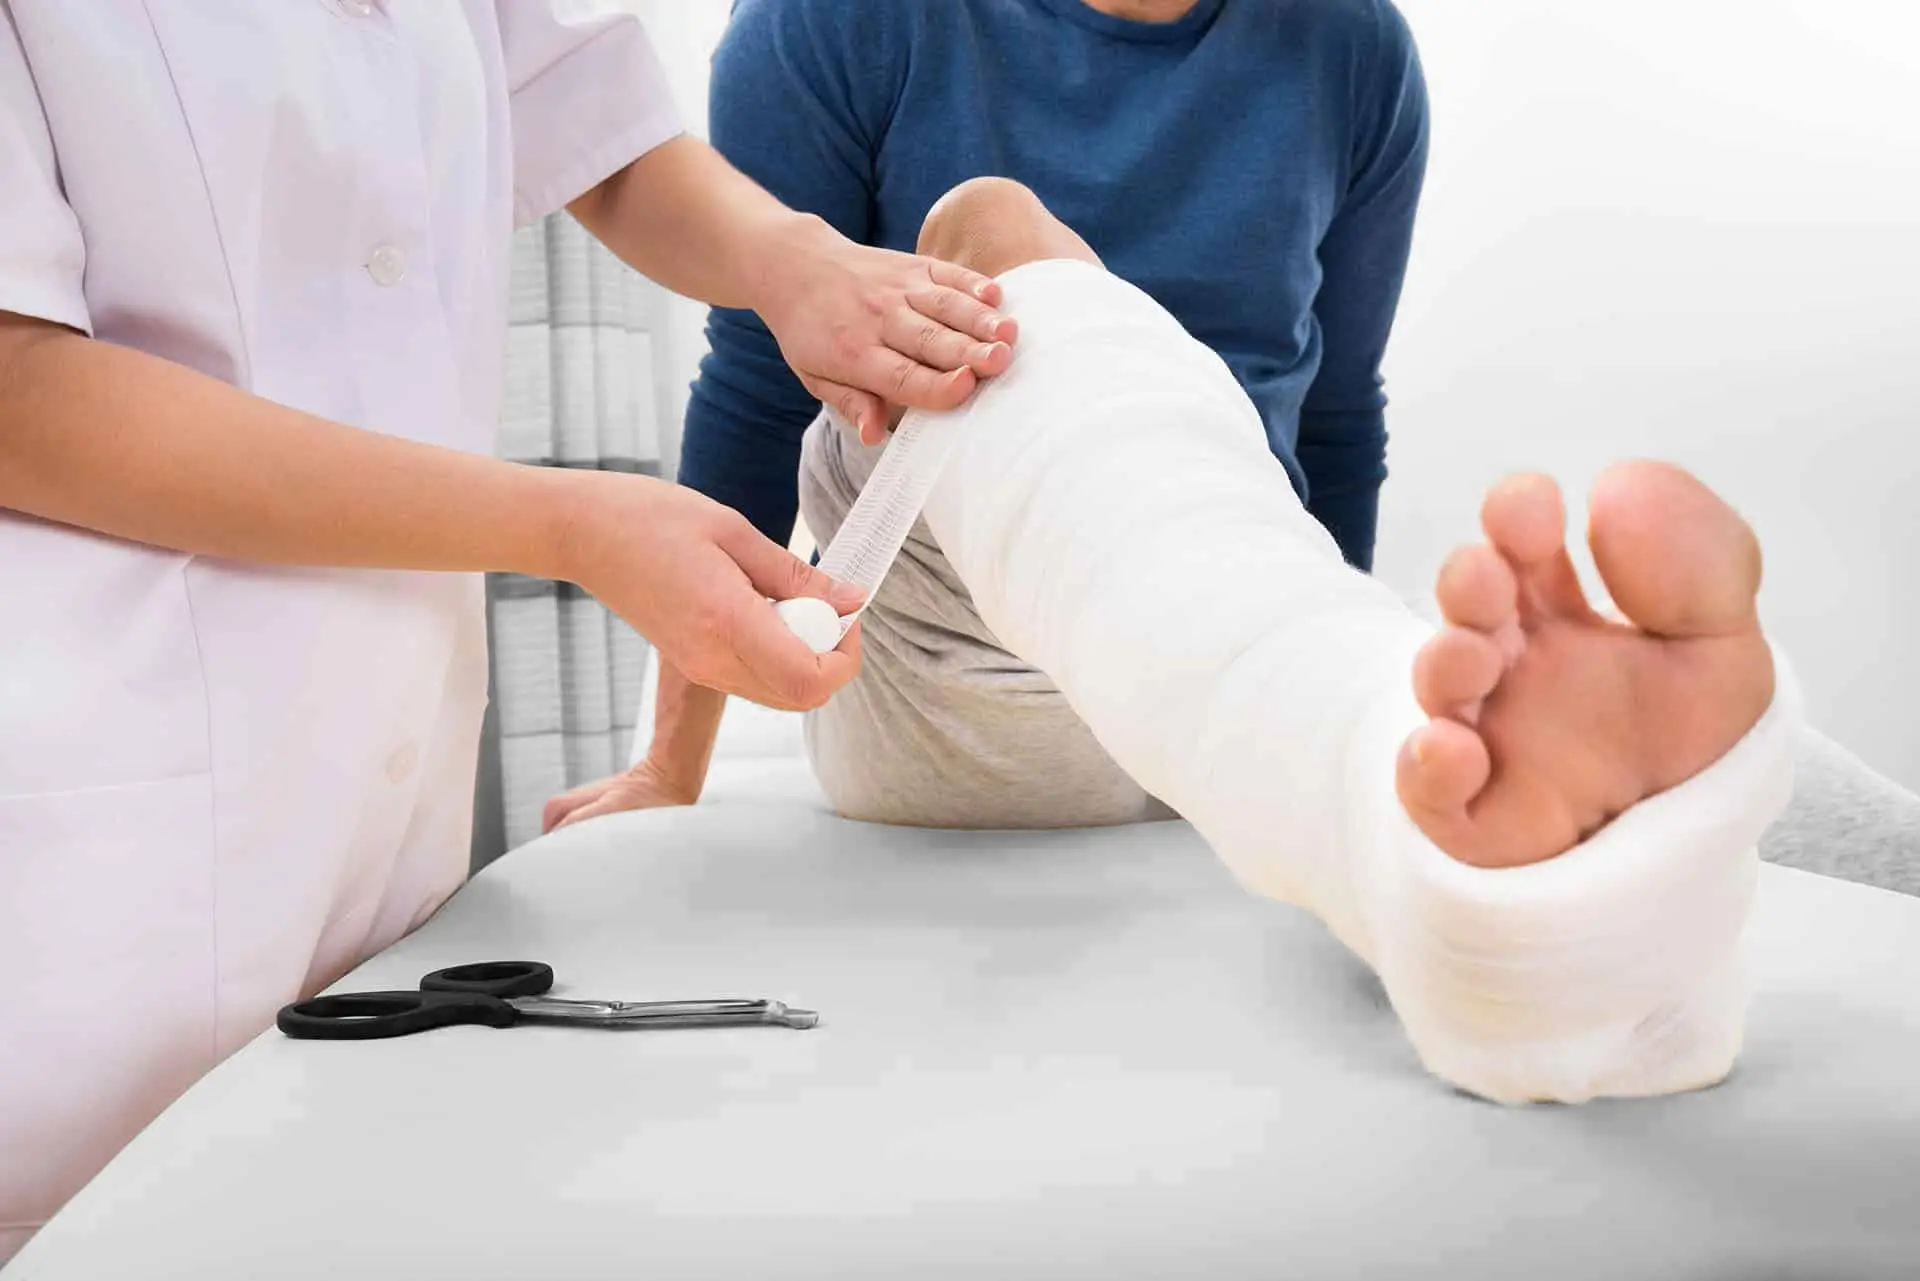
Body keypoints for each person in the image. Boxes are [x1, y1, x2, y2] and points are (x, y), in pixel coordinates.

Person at [0, 2, 1020, 1259]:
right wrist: (569, 526)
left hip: (377, 808)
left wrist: (789, 260)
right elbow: (16, 388)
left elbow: (598, 126)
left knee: (351, 1208)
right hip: (98, 827)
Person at [551, 0, 1920, 896]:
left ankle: (1346, 720)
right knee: (988, 227)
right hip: (944, 665)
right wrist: (674, 762)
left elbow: (1339, 420)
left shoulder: (1351, 49)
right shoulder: (838, 22)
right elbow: (754, 389)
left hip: (1204, 664)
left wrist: (1313, 631)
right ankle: (1307, 694)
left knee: (1456, 710)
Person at [783, 175, 1796, 1102]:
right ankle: (1375, 756)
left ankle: (1435, 832)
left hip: (1160, 676)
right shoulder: (1346, 68)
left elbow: (745, 397)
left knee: (989, 241)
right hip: (1128, 685)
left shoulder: (1351, 59)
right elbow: (1338, 418)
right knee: (985, 232)